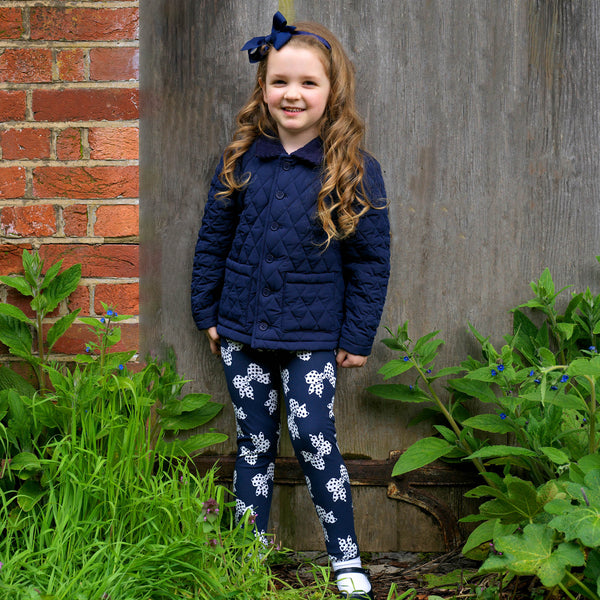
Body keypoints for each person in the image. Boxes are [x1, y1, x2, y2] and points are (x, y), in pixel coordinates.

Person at [191, 12, 390, 599]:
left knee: (315, 443)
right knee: (252, 444)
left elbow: (370, 261)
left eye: (308, 82)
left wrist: (357, 335)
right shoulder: (241, 160)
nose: (292, 94)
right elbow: (213, 241)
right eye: (280, 81)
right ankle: (245, 557)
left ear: (332, 91)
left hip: (312, 340)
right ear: (263, 88)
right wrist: (207, 312)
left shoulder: (353, 170)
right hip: (241, 333)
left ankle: (346, 558)